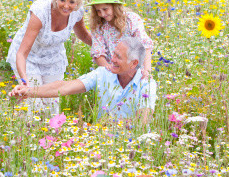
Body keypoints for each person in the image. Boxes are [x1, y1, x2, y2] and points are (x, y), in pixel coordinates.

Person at [9, 37, 157, 123]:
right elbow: (65, 87)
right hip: (101, 140)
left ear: (134, 63)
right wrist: (29, 91)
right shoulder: (103, 73)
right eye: (113, 54)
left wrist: (108, 127)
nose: (111, 59)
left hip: (131, 144)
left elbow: (143, 122)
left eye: (118, 57)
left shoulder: (147, 84)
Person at [6, 0, 93, 116]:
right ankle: (25, 132)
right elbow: (22, 53)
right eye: (62, 0)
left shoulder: (77, 12)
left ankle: (51, 136)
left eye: (71, 2)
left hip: (53, 59)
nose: (66, 6)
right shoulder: (40, 12)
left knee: (52, 106)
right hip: (29, 58)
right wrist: (24, 82)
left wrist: (105, 49)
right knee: (34, 104)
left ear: (77, 2)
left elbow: (83, 35)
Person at [88, 0, 153, 79]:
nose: (102, 14)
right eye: (98, 11)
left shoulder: (131, 19)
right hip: (112, 72)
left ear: (114, 7)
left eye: (105, 9)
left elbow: (145, 45)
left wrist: (147, 71)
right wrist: (109, 69)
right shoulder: (99, 26)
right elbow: (98, 52)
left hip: (136, 71)